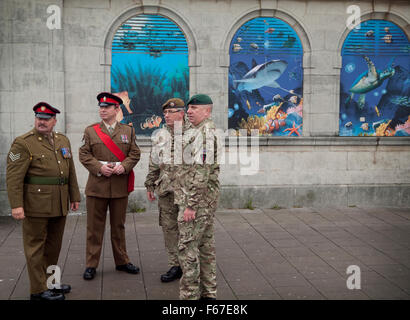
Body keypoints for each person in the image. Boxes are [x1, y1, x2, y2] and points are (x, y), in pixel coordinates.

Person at [6, 102, 81, 300]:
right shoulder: (23, 143)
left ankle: (51, 283)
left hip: (59, 202)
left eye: (46, 119)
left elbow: (70, 170)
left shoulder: (62, 140)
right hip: (35, 204)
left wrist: (75, 196)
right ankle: (38, 291)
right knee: (35, 247)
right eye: (39, 118)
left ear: (54, 121)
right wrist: (16, 205)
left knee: (54, 246)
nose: (42, 122)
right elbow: (13, 177)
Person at [79, 92, 141, 280]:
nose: (103, 110)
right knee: (94, 228)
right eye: (101, 107)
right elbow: (84, 154)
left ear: (117, 109)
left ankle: (122, 261)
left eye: (107, 107)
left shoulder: (128, 131)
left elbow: (134, 153)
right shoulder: (91, 131)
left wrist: (124, 166)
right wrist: (99, 167)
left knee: (118, 226)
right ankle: (91, 264)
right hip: (97, 186)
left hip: (119, 186)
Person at [173, 94, 220, 300]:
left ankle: (190, 296)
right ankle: (209, 293)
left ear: (207, 111)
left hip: (196, 203)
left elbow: (201, 172)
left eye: (193, 108)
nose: (188, 111)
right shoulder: (199, 131)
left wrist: (190, 205)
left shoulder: (205, 134)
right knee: (205, 247)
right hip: (203, 201)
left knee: (187, 249)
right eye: (188, 108)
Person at [144, 98, 190, 283]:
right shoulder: (160, 134)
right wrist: (150, 184)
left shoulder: (194, 133)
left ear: (181, 113)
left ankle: (190, 266)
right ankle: (175, 265)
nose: (166, 115)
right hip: (165, 190)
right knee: (169, 229)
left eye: (170, 112)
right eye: (165, 113)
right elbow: (154, 161)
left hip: (186, 191)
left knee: (187, 230)